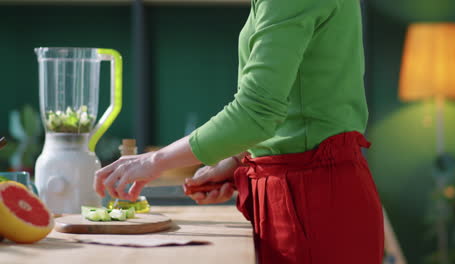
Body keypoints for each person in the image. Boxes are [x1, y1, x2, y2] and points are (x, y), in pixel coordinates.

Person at [94, 0, 384, 263]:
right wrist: (237, 163)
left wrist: (153, 161)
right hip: (310, 199)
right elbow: (304, 104)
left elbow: (257, 112)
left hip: (314, 207)